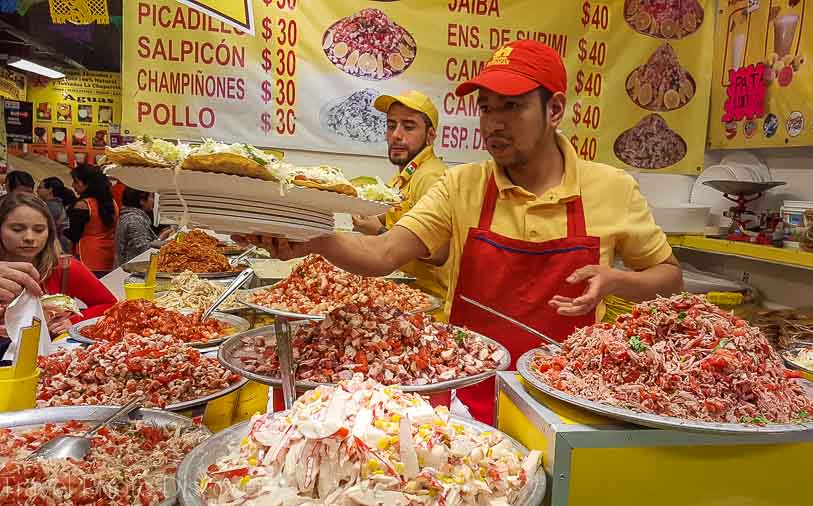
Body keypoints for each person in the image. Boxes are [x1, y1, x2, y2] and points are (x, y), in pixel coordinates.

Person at [238, 41, 683, 424]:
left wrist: (616, 280)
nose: (494, 123)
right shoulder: (462, 185)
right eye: (486, 107)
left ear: (555, 109)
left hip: (569, 399)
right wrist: (313, 238)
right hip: (469, 393)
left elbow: (670, 278)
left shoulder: (612, 188)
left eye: (513, 106)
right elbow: (384, 253)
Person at [352, 90, 449, 308]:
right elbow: (404, 214)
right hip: (403, 295)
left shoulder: (431, 176)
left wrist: (377, 232)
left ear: (431, 136)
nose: (396, 135)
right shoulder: (405, 174)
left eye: (408, 126)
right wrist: (370, 212)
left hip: (430, 307)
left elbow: (439, 252)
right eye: (391, 125)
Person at [0, 193, 116, 337]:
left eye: (39, 230)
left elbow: (110, 305)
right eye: (17, 229)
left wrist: (74, 321)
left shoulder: (65, 268)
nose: (29, 237)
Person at [67, 164, 119, 276]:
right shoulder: (112, 203)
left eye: (76, 182)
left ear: (87, 183)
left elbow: (74, 235)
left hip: (87, 256)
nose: (73, 185)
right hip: (109, 255)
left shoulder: (83, 205)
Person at [115, 187, 166, 267]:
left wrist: (159, 239)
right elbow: (142, 249)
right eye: (151, 197)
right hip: (130, 269)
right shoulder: (134, 219)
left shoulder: (130, 217)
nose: (153, 201)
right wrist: (165, 244)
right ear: (142, 201)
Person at [37, 177, 76, 253]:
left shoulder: (51, 207)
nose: (37, 190)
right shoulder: (55, 205)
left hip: (60, 247)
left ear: (50, 190)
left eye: (40, 187)